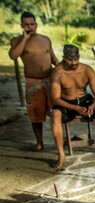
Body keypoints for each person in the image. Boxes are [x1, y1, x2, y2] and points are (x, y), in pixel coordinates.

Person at [50, 45, 95, 170]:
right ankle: (61, 155)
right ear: (63, 58)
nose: (73, 63)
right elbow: (55, 99)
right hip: (66, 102)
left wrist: (93, 105)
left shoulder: (87, 70)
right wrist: (76, 108)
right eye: (70, 60)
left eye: (76, 59)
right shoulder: (58, 72)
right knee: (55, 114)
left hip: (85, 100)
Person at [8, 12, 59, 151]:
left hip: (50, 79)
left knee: (57, 110)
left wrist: (61, 68)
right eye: (26, 25)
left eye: (32, 24)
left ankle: (58, 141)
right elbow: (13, 56)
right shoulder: (17, 41)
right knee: (35, 113)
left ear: (36, 24)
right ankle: (39, 142)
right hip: (33, 81)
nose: (30, 27)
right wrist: (25, 39)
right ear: (22, 26)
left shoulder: (45, 39)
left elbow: (53, 58)